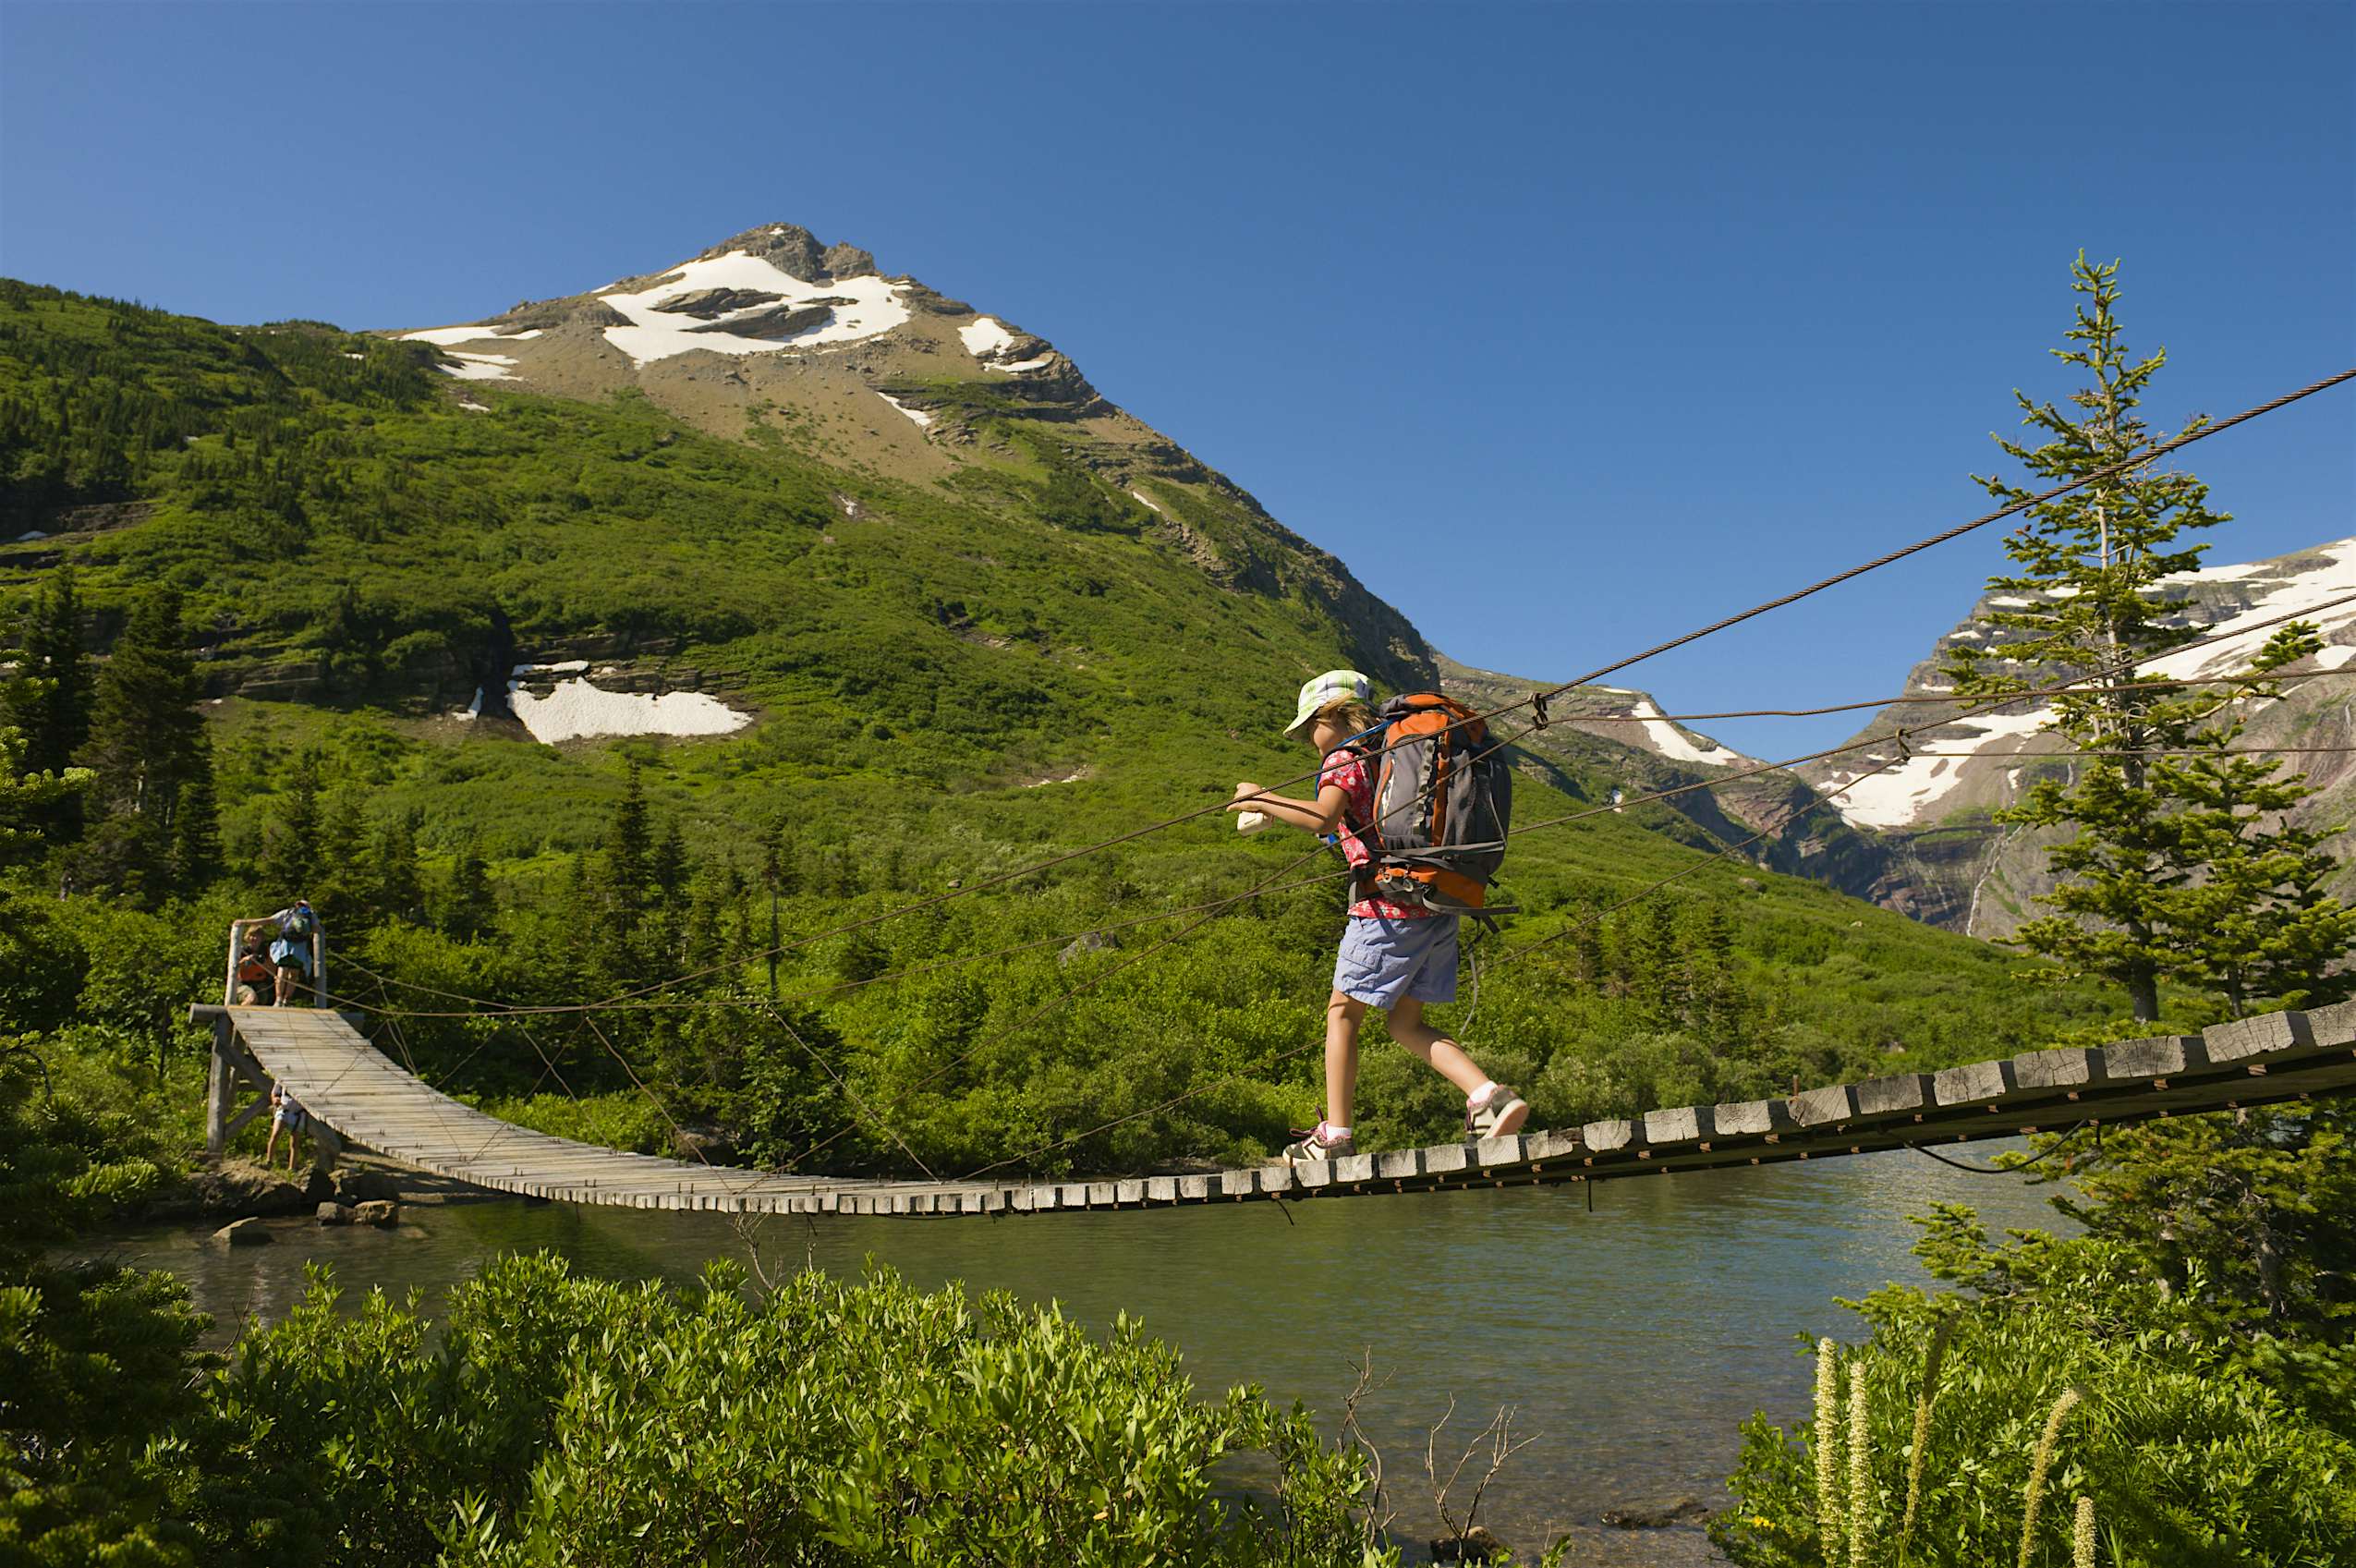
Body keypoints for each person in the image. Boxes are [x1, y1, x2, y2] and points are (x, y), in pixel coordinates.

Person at [1230, 670, 1530, 1163]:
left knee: (1342, 1014)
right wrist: (1279, 809)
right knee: (1405, 1025)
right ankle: (1489, 1098)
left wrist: (1260, 796)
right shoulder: (1392, 754)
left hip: (1386, 911)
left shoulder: (1345, 756)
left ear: (1333, 717)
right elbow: (1348, 827)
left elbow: (1324, 817)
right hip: (1435, 902)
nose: (1311, 741)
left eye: (1311, 729)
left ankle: (1336, 1136)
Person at [267, 899, 317, 1007]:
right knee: (293, 975)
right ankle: (286, 1000)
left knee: (282, 972)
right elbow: (317, 929)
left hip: (286, 946)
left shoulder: (289, 912)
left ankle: (278, 1000)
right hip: (300, 949)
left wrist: (245, 922)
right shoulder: (311, 915)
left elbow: (270, 920)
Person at [263, 1080, 307, 1173]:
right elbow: (274, 1093)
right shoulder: (283, 1078)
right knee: (275, 1134)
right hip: (283, 1109)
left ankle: (292, 1168)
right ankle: (269, 1161)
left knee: (295, 1142)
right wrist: (274, 1099)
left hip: (298, 1112)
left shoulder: (306, 1079)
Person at [232, 927, 275, 1005]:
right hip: (243, 984)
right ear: (247, 937)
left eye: (257, 936)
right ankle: (239, 1014)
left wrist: (263, 962)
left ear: (262, 938)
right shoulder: (241, 951)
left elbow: (273, 972)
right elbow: (234, 968)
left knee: (263, 1001)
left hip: (260, 984)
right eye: (251, 935)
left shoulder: (266, 952)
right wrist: (245, 960)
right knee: (252, 998)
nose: (254, 938)